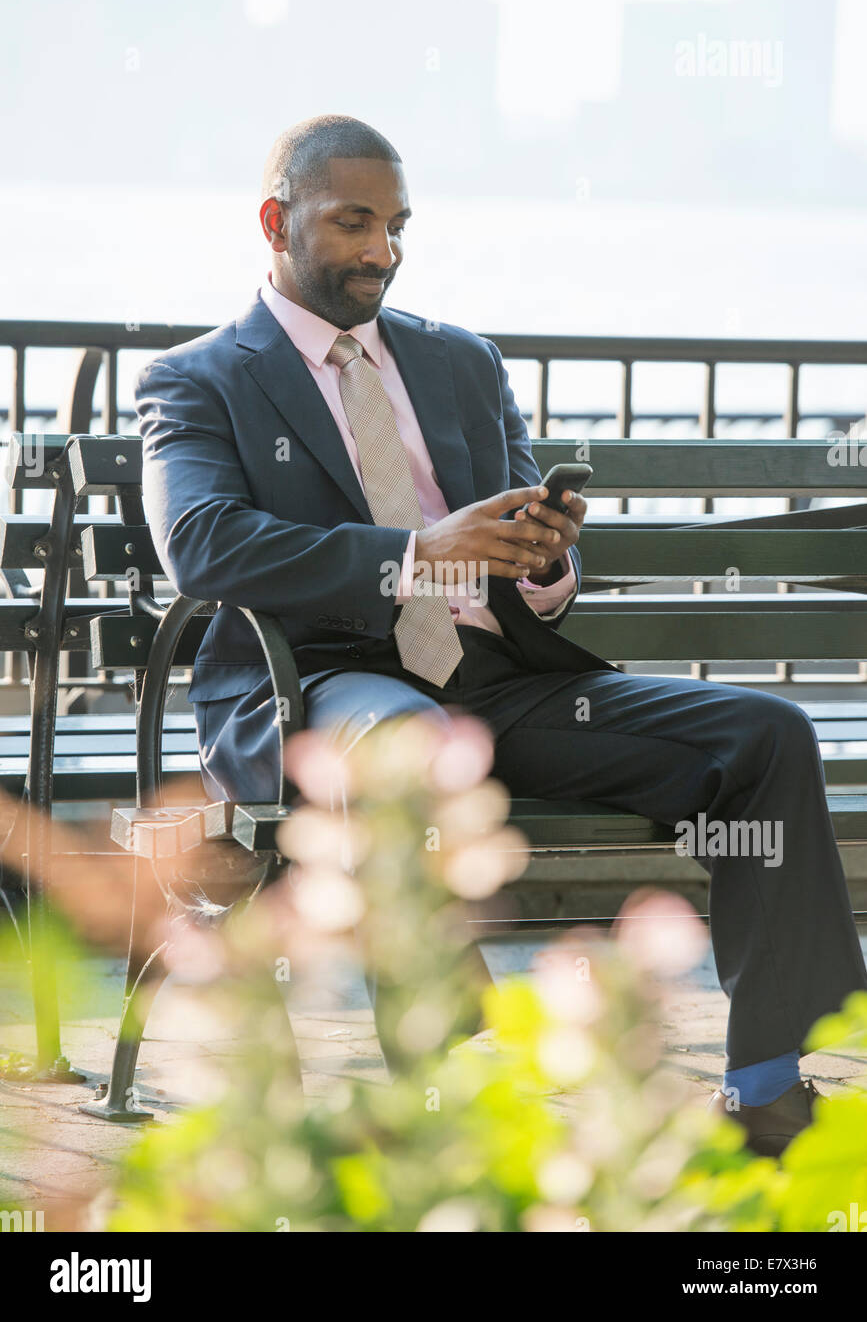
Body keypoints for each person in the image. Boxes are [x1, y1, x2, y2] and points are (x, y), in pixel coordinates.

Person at [136, 114, 867, 1157]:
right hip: (320, 680)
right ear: (275, 220)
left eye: (396, 226)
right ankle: (450, 1089)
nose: (383, 250)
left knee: (766, 734)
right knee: (406, 749)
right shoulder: (198, 379)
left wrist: (547, 556)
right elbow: (204, 546)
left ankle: (768, 1087)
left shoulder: (458, 362)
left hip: (501, 680)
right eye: (353, 223)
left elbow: (524, 547)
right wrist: (417, 552)